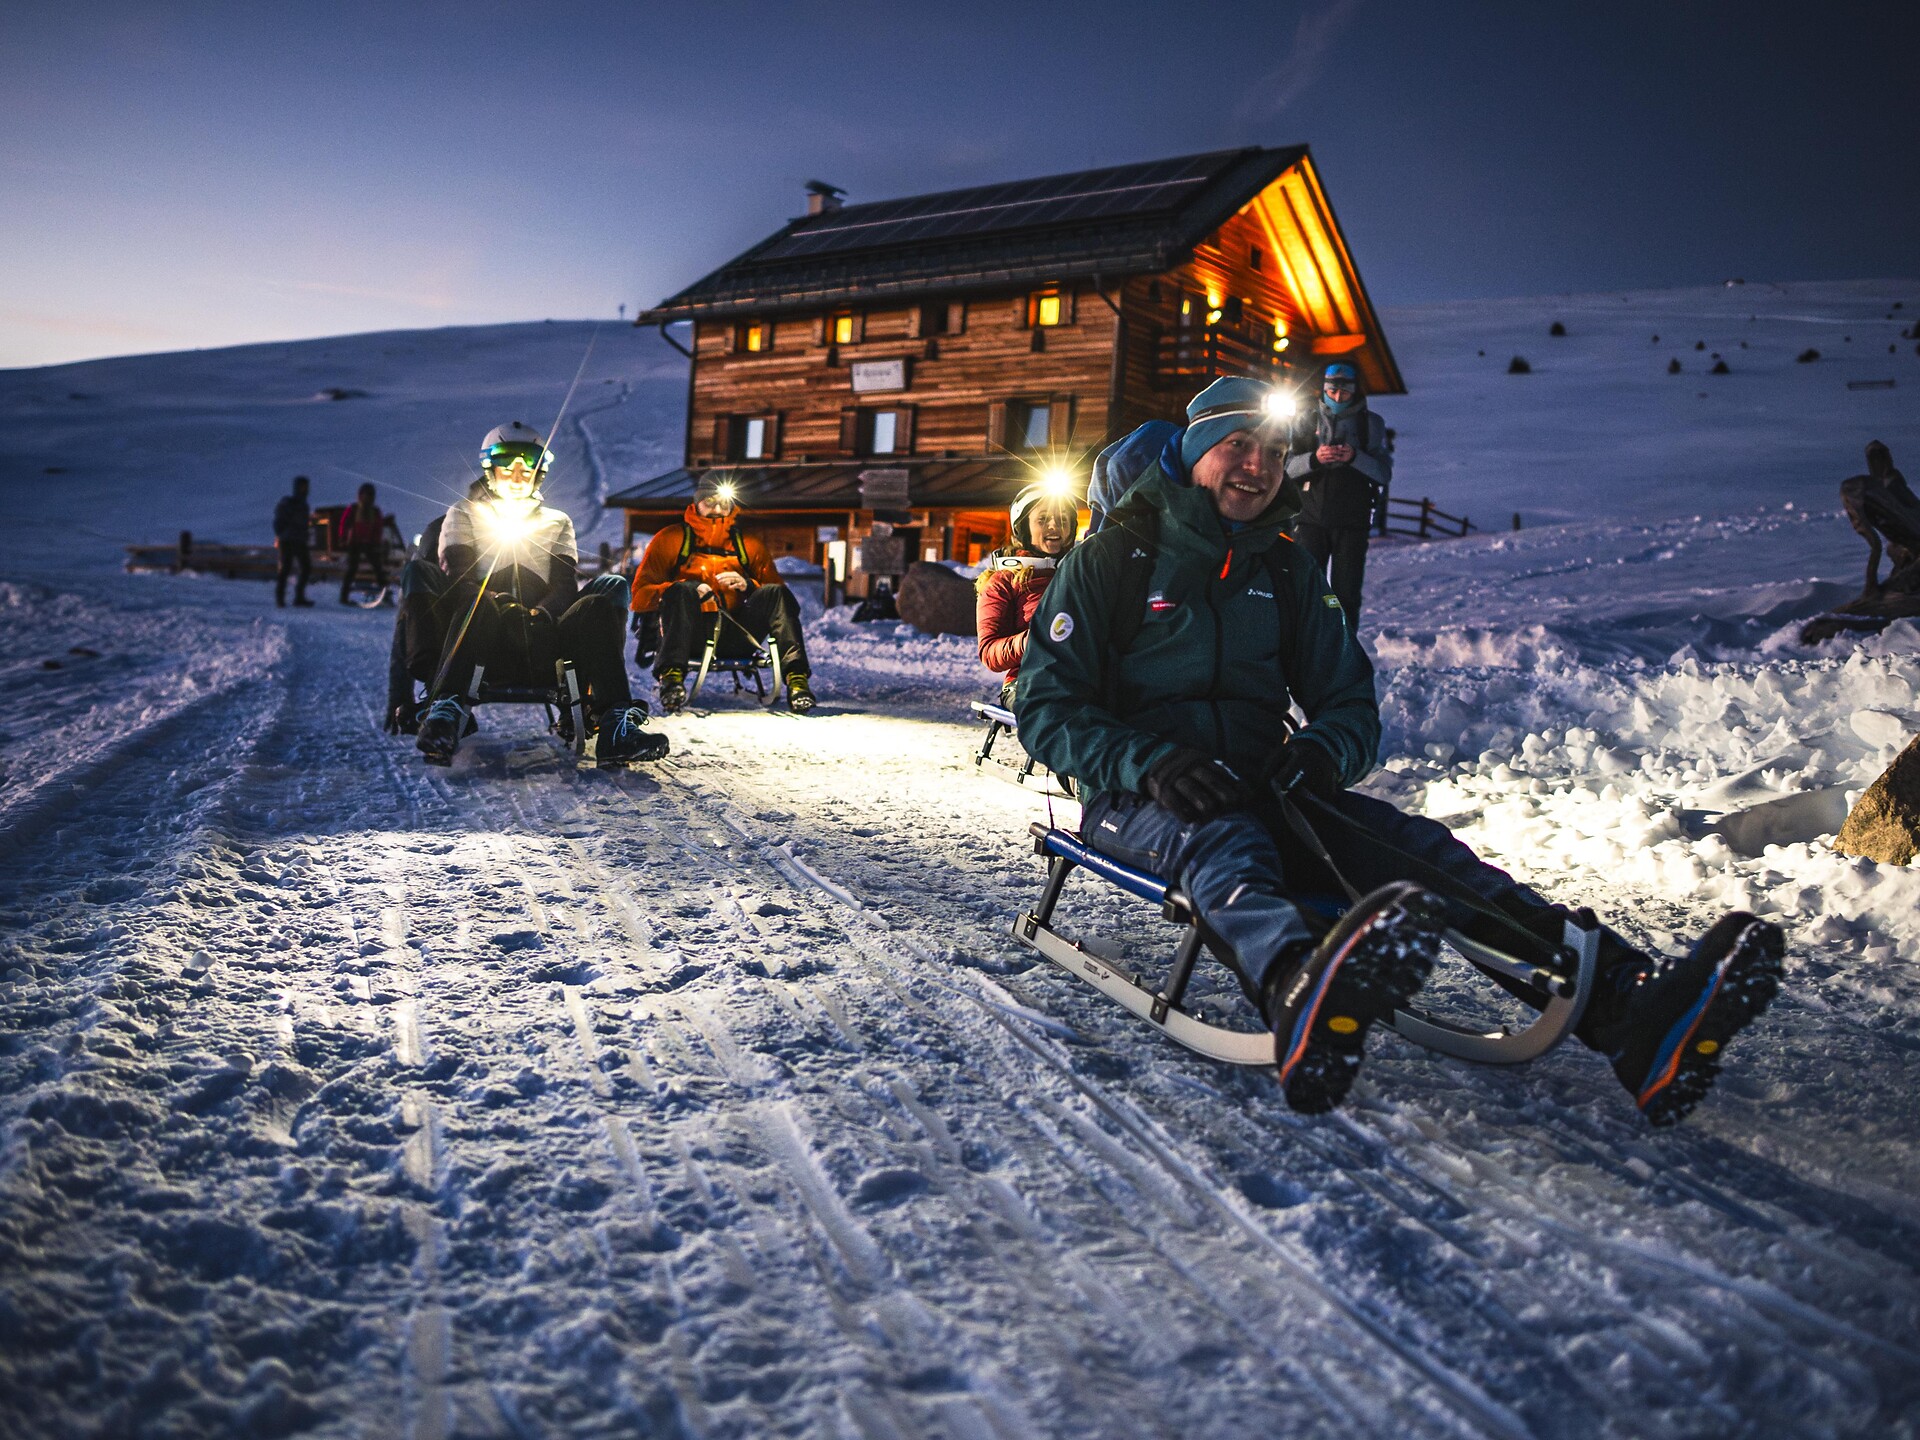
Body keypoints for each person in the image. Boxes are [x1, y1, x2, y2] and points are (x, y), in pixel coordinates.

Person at [1017, 374, 1784, 1124]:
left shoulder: (1285, 569)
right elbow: (1045, 707)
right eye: (1237, 445)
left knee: (1420, 852)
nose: (1257, 465)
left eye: (1274, 449)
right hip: (1138, 799)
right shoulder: (1112, 561)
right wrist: (1148, 762)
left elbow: (1350, 703)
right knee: (1225, 846)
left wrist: (1320, 754)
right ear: (1195, 450)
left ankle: (1629, 1007)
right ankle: (1297, 990)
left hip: (1269, 782)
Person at [403, 422, 666, 767]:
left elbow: (563, 585)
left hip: (542, 630)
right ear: (490, 469)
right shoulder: (463, 514)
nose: (517, 474)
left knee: (598, 602)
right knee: (476, 600)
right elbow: (460, 582)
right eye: (507, 465)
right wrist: (501, 604)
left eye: (527, 466)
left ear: (539, 472)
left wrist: (541, 613)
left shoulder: (556, 522)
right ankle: (447, 710)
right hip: (482, 631)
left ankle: (614, 723)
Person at [630, 473, 815, 714]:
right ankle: (672, 678)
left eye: (724, 502)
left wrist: (749, 586)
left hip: (737, 633)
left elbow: (784, 600)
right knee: (682, 588)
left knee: (774, 592)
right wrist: (684, 589)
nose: (717, 508)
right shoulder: (670, 539)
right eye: (710, 502)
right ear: (697, 503)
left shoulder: (748, 544)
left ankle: (797, 680)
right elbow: (639, 597)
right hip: (688, 637)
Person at [1285, 362, 1392, 624]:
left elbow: (1383, 473)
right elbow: (1285, 468)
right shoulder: (1305, 421)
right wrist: (1314, 459)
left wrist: (1355, 457)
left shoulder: (1371, 424)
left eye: (1344, 392)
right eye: (1331, 391)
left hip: (1352, 521)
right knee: (1309, 590)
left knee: (1345, 594)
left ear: (1355, 391)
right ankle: (1306, 650)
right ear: (1323, 389)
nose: (1337, 398)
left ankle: (1344, 652)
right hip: (1309, 519)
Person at [976, 480, 1079, 708]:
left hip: (1082, 676)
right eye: (1042, 519)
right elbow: (989, 652)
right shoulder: (1003, 581)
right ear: (1023, 527)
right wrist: (1035, 638)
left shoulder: (1080, 573)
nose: (1054, 525)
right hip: (1028, 681)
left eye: (1063, 519)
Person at [338, 482, 401, 603]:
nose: (367, 497)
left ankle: (384, 594)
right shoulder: (353, 509)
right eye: (365, 494)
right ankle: (344, 597)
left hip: (369, 543)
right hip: (355, 543)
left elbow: (377, 528)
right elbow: (344, 524)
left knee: (378, 568)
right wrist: (343, 537)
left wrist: (376, 543)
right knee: (352, 569)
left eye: (369, 495)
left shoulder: (375, 511)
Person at [273, 475, 313, 608]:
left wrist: (305, 535)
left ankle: (299, 597)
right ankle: (280, 598)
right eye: (302, 486)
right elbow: (279, 521)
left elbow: (304, 524)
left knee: (306, 567)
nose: (305, 489)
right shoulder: (288, 503)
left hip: (300, 541)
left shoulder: (304, 505)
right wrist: (282, 534)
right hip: (288, 540)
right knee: (285, 569)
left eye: (306, 487)